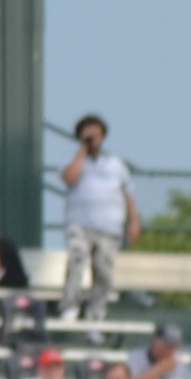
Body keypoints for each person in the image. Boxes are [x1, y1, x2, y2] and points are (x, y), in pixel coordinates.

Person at [54, 110, 136, 319]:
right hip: (80, 224)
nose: (92, 139)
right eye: (87, 134)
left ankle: (96, 313)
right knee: (77, 261)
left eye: (96, 135)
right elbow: (69, 178)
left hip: (109, 227)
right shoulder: (70, 161)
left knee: (104, 273)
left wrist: (133, 221)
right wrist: (82, 150)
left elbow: (128, 193)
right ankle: (70, 306)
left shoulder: (116, 165)